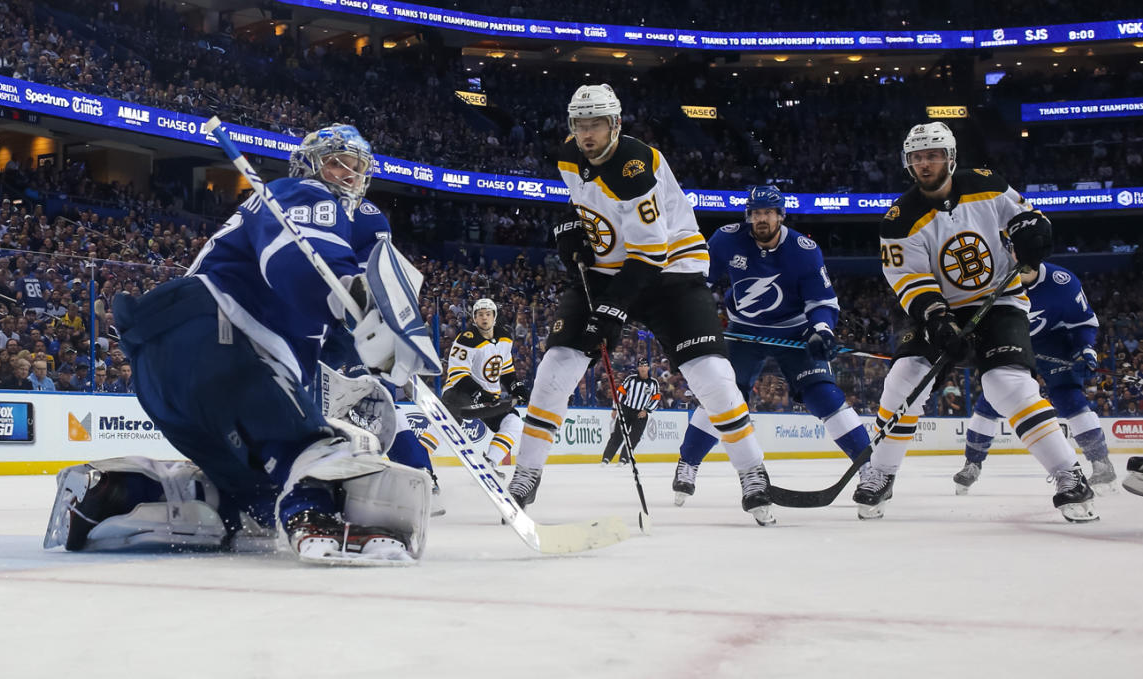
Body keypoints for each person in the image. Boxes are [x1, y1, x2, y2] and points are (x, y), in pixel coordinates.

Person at [43, 124, 440, 565]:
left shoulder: (305, 233)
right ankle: (316, 515)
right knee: (310, 451)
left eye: (357, 167)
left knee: (254, 496)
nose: (347, 174)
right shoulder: (302, 192)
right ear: (311, 164)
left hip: (163, 364)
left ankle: (129, 496)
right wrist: (354, 294)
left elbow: (330, 338)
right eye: (337, 162)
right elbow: (300, 261)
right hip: (222, 335)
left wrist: (369, 352)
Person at [508, 84, 777, 526]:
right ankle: (527, 473)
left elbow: (650, 254)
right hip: (609, 269)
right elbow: (585, 204)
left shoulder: (634, 167)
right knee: (556, 364)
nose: (587, 133)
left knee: (711, 375)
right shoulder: (567, 156)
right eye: (580, 124)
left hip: (670, 268)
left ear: (616, 124)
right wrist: (573, 229)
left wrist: (612, 311)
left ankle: (753, 473)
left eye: (595, 124)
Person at [860, 121, 1096, 522]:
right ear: (907, 163)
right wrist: (938, 320)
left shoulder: (987, 184)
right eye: (917, 157)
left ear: (950, 157)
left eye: (933, 155)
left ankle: (1069, 475)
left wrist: (1035, 231)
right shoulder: (898, 220)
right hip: (942, 310)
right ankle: (880, 473)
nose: (925, 163)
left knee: (1006, 383)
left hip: (1000, 300)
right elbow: (909, 279)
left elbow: (1028, 217)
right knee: (904, 376)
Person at [670, 185, 872, 506]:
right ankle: (688, 463)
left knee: (823, 395)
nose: (761, 219)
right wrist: (688, 314)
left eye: (768, 213)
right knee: (720, 395)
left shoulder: (804, 250)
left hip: (793, 332)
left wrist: (822, 331)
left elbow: (820, 301)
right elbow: (699, 282)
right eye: (756, 213)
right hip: (743, 332)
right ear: (748, 215)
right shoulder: (726, 239)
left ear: (780, 215)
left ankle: (869, 468)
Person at [952, 262, 1116, 492]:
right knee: (992, 398)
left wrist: (1085, 350)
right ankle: (972, 463)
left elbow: (1083, 322)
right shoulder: (992, 279)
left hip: (1053, 342)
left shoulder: (1062, 282)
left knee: (1068, 398)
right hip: (1009, 339)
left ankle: (1101, 462)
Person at [423, 297, 529, 479]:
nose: (484, 318)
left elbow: (506, 370)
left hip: (489, 396)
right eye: (480, 315)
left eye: (488, 314)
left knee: (514, 423)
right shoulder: (466, 339)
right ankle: (419, 464)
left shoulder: (505, 337)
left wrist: (516, 386)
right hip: (460, 392)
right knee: (447, 420)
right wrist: (480, 394)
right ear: (474, 318)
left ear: (494, 316)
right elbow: (458, 375)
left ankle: (489, 464)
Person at [600, 357, 660, 465]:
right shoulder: (631, 379)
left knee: (634, 437)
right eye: (640, 366)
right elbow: (619, 393)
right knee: (617, 435)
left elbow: (656, 400)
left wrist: (646, 410)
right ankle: (606, 458)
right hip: (626, 410)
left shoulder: (653, 383)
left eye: (645, 366)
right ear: (637, 367)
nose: (643, 368)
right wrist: (615, 408)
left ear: (648, 367)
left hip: (641, 414)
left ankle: (624, 458)